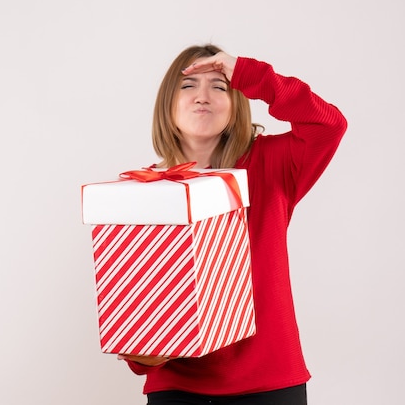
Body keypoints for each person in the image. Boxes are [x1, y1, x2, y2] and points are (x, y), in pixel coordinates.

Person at [116, 44, 347, 404]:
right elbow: (141, 301)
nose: (202, 97)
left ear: (237, 101)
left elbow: (328, 125)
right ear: (168, 104)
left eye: (219, 86)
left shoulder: (272, 164)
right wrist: (141, 355)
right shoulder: (146, 190)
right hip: (177, 386)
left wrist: (251, 74)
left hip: (270, 383)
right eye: (188, 85)